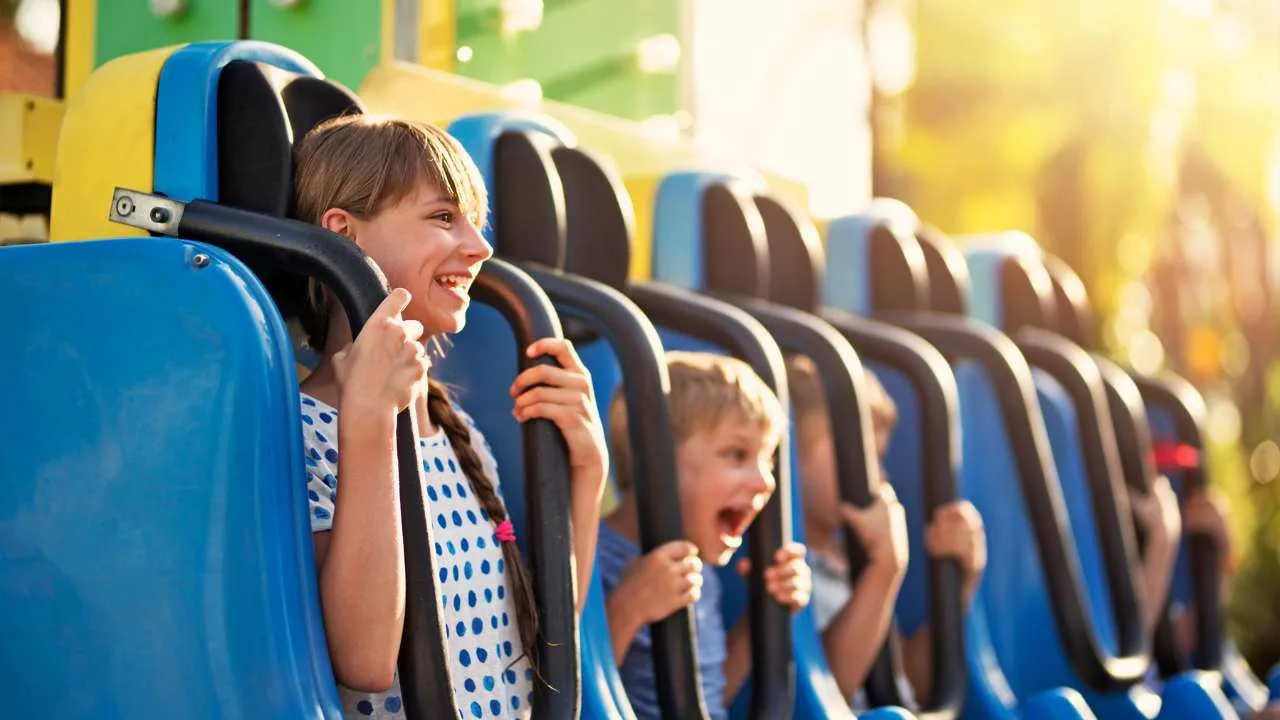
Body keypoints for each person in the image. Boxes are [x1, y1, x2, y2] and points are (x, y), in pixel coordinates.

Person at [291, 115, 609, 719]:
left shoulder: (453, 429)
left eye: (474, 221)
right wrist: (369, 421)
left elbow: (545, 631)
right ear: (343, 235)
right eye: (443, 217)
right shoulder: (303, 431)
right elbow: (365, 662)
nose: (480, 247)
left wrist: (588, 469)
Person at [598, 352, 812, 719]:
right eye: (737, 454)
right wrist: (626, 611)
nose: (766, 481)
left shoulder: (700, 570)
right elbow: (570, 694)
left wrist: (764, 613)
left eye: (769, 459)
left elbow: (705, 699)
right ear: (655, 457)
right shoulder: (595, 558)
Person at [786, 355, 986, 704]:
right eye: (865, 458)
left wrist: (962, 583)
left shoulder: (848, 558)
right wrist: (885, 569)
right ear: (790, 453)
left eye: (880, 459)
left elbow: (904, 681)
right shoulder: (787, 568)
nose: (880, 477)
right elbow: (825, 694)